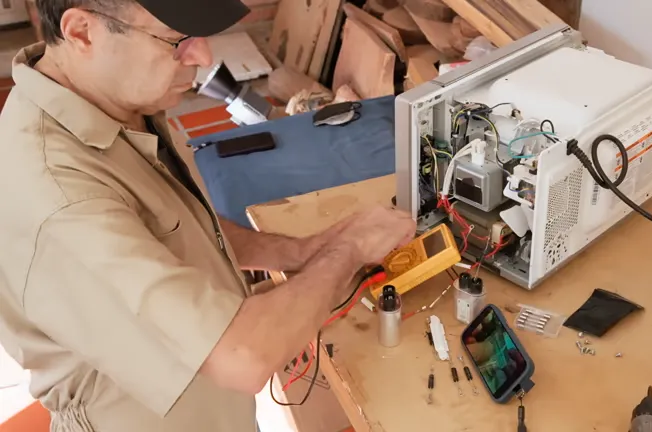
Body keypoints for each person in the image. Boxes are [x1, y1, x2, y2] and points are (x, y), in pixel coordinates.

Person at [0, 1, 416, 431]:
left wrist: (300, 252)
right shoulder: (59, 198)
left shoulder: (106, 99)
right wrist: (348, 250)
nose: (202, 56)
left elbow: (177, 226)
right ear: (82, 32)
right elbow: (243, 357)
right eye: (175, 40)